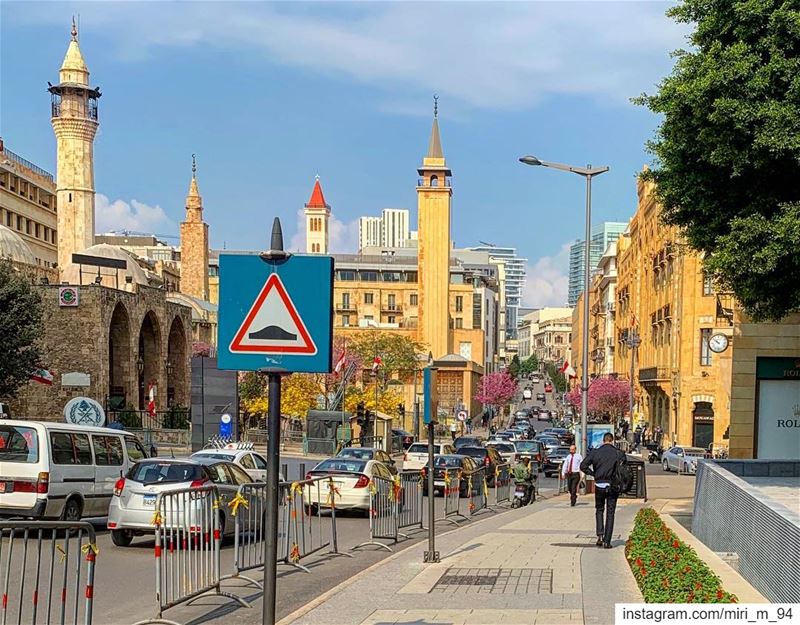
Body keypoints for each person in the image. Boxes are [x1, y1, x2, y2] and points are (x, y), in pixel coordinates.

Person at [580, 432, 627, 549]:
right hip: (612, 486)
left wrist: (593, 473)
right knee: (610, 513)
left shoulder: (595, 452)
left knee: (599, 509)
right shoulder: (618, 453)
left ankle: (600, 535)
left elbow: (583, 465)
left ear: (603, 440)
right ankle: (607, 541)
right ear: (612, 440)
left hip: (599, 485)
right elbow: (624, 467)